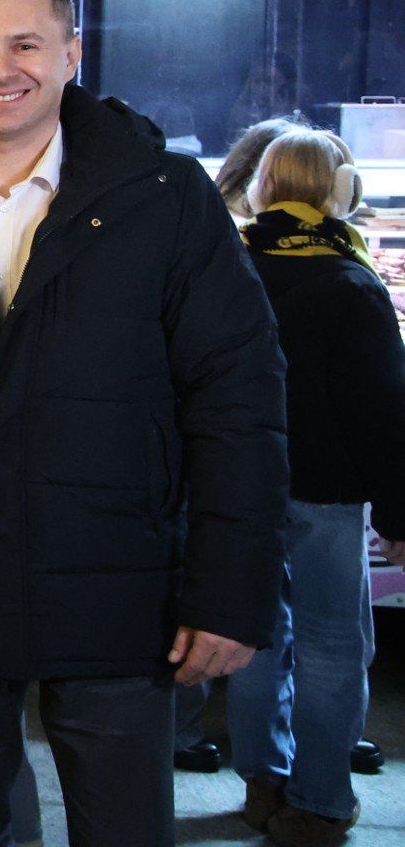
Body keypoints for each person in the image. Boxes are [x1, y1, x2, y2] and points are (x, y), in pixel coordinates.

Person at [0, 0, 287, 847]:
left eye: (25, 44)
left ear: (72, 53)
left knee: (123, 829)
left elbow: (239, 400)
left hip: (123, 593)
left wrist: (231, 590)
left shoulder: (163, 200)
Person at [226, 129, 405, 847]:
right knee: (333, 646)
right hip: (329, 495)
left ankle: (262, 783)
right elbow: (383, 410)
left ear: (263, 187)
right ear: (342, 191)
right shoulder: (353, 281)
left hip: (242, 486)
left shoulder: (233, 269)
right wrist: (398, 509)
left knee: (254, 637)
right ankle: (321, 803)